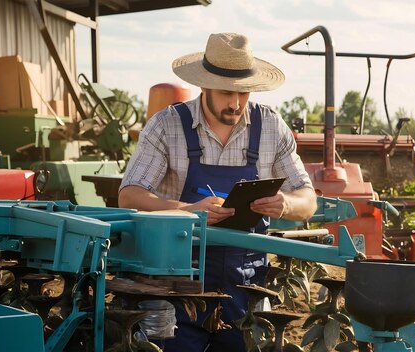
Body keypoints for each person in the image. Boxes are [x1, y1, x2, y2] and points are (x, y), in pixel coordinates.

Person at [118, 32, 317, 351]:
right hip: (176, 282)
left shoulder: (270, 128)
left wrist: (285, 204)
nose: (236, 103)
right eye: (227, 93)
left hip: (246, 288)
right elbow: (130, 195)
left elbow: (308, 200)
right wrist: (189, 211)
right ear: (204, 85)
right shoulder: (166, 126)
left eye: (244, 93)